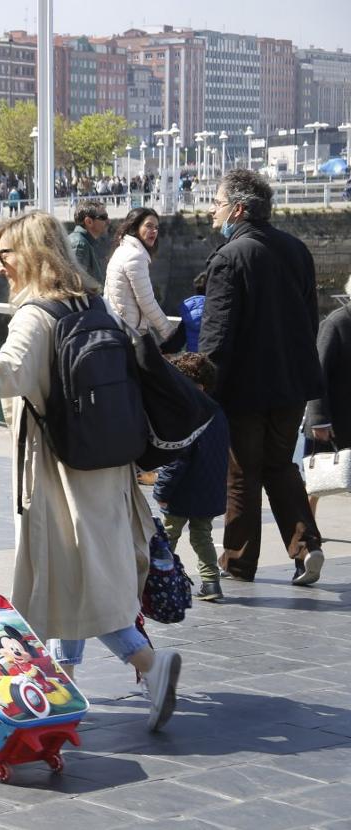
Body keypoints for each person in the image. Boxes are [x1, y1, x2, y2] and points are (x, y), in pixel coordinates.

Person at [0, 211, 181, 733]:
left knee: (71, 581)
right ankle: (63, 687)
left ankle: (149, 665)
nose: (0, 267)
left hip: (58, 471)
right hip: (106, 465)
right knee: (74, 578)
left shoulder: (36, 316)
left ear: (31, 254)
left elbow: (2, 376)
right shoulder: (96, 304)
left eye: (5, 256)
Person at [201, 170, 324, 586]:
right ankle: (307, 547)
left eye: (216, 204)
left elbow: (216, 334)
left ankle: (238, 561)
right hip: (291, 383)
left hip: (246, 388)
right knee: (279, 465)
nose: (212, 212)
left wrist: (205, 386)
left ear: (237, 208)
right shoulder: (296, 249)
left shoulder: (229, 257)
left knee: (242, 473)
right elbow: (311, 320)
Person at [154, 353, 230, 602]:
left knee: (167, 535)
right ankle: (211, 582)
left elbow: (176, 458)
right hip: (209, 487)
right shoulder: (217, 411)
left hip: (183, 489)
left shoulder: (185, 412)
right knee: (202, 535)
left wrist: (162, 492)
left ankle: (160, 581)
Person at [306, 277, 351, 519]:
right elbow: (317, 372)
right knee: (318, 480)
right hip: (332, 418)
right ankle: (307, 528)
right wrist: (319, 419)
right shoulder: (336, 323)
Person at [104, 207, 176, 341]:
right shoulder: (135, 256)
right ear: (135, 227)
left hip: (117, 326)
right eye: (148, 226)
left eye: (156, 227)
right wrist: (169, 332)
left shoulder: (122, 250)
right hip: (129, 334)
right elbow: (146, 301)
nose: (154, 231)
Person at [67, 200, 109, 282]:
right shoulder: (79, 245)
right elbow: (77, 282)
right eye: (103, 217)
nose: (108, 221)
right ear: (89, 222)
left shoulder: (86, 241)